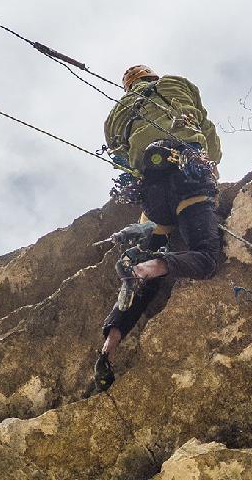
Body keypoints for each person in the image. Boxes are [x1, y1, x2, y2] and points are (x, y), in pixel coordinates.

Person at [94, 64, 225, 391]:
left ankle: (109, 346)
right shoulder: (178, 84)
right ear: (152, 77)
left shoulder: (116, 116)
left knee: (155, 240)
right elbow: (208, 135)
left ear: (128, 86)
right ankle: (145, 268)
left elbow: (119, 157)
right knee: (206, 256)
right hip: (187, 172)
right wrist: (211, 169)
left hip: (152, 190)